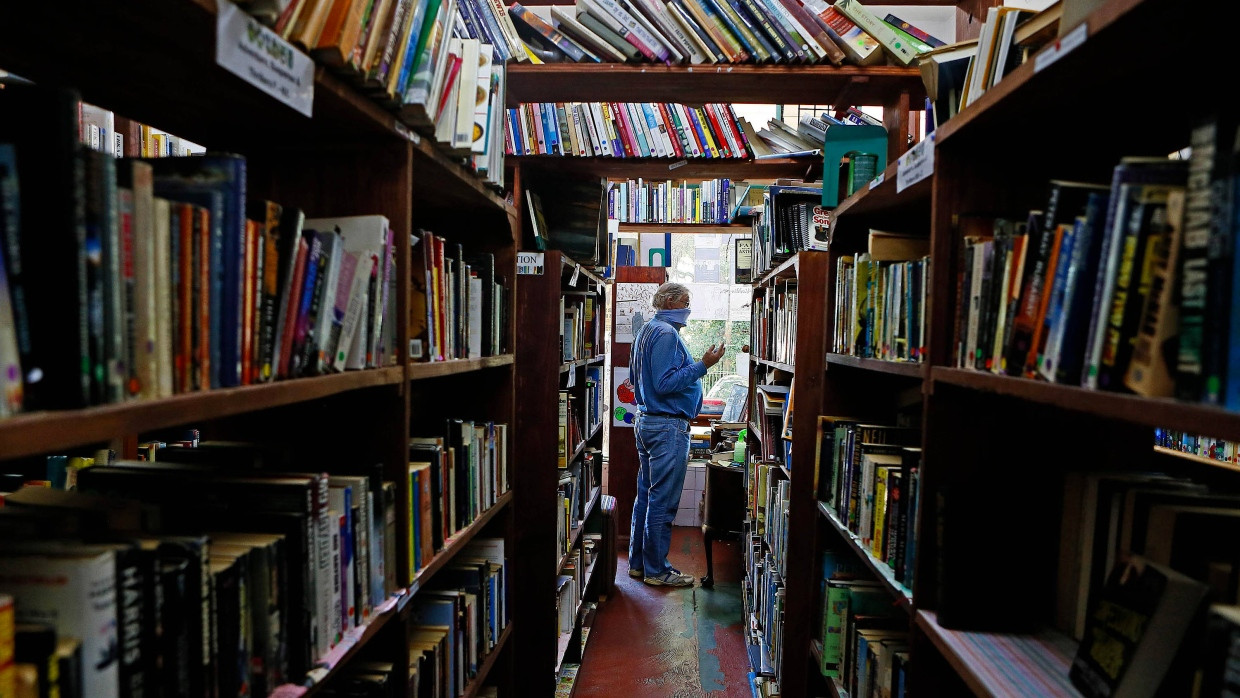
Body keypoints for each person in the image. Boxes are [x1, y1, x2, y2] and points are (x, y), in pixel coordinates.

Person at [628, 282, 725, 587]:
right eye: (684, 301)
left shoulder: (647, 330)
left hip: (647, 421)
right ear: (669, 302)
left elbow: (636, 378)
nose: (688, 307)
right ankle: (657, 571)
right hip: (666, 426)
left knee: (646, 494)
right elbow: (665, 384)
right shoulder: (666, 334)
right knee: (663, 502)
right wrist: (703, 365)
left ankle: (639, 564)